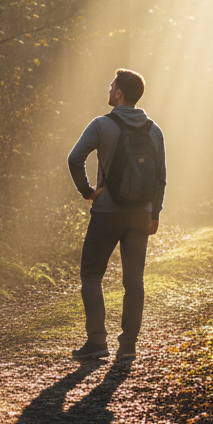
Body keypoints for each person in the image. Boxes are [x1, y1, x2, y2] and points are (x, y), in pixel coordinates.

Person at [66, 69, 166, 360]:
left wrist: (87, 191)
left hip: (107, 211)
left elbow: (75, 158)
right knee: (134, 279)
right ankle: (128, 346)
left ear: (119, 92)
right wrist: (155, 213)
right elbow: (161, 176)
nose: (109, 89)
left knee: (92, 274)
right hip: (141, 214)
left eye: (112, 85)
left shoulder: (101, 125)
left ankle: (97, 342)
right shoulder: (154, 130)